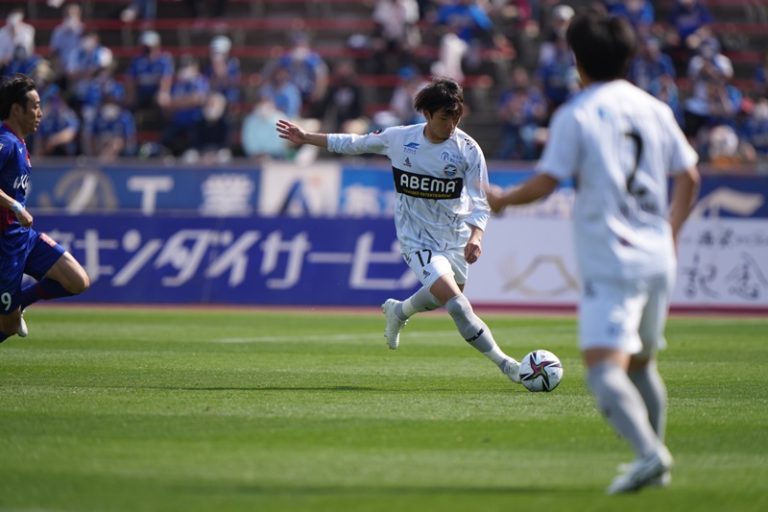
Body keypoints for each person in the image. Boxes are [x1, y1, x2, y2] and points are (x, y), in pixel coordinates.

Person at [485, 11, 700, 494]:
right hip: (657, 255)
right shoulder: (654, 108)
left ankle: (650, 454)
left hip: (613, 257)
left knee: (603, 371)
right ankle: (654, 463)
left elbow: (546, 182)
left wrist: (502, 200)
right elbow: (690, 175)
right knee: (642, 365)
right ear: (628, 57)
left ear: (577, 60)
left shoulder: (577, 113)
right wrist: (672, 234)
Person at [276, 78, 522, 385]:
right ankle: (508, 365)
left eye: (456, 118)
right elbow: (354, 143)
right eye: (444, 118)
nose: (451, 125)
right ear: (427, 115)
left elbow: (480, 199)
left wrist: (476, 236)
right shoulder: (400, 139)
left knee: (444, 296)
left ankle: (400, 310)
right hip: (416, 238)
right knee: (457, 304)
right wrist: (306, 137)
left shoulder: (468, 150)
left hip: (455, 236)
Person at [0, 74, 90, 344]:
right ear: (17, 110)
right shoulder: (6, 142)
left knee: (77, 280)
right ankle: (13, 313)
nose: (40, 113)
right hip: (4, 246)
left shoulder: (19, 143)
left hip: (22, 238)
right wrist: (16, 206)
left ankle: (21, 303)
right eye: (35, 106)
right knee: (8, 326)